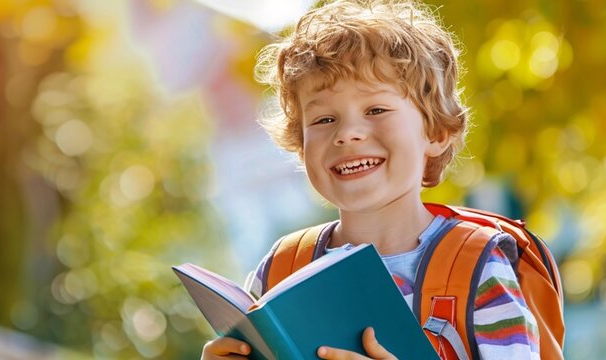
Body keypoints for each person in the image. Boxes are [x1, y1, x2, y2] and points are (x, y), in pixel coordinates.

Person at [202, 0, 542, 359]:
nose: (347, 133)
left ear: (437, 132)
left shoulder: (477, 268)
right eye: (323, 120)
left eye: (376, 110)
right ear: (300, 145)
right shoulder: (281, 270)